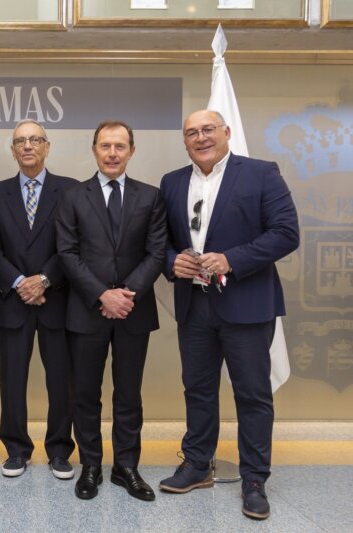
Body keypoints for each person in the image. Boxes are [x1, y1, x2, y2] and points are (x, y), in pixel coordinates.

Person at [158, 109, 299, 520]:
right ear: (185, 141)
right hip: (194, 305)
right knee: (198, 389)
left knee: (252, 395)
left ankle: (254, 479)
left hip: (247, 304)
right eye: (191, 132)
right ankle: (198, 464)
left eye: (207, 129)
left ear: (226, 132)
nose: (200, 137)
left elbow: (286, 232)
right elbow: (162, 240)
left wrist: (232, 259)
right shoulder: (172, 182)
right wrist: (173, 261)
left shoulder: (260, 173)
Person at [57, 120, 166, 501]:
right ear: (94, 150)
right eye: (105, 146)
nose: (112, 153)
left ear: (132, 151)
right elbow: (67, 253)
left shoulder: (151, 197)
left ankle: (126, 466)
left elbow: (156, 253)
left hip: (134, 312)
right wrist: (104, 295)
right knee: (85, 393)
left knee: (128, 393)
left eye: (120, 146)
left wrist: (126, 295)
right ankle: (90, 464)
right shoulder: (72, 196)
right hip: (87, 311)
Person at [0, 119, 77, 479]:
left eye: (35, 140)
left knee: (61, 380)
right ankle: (16, 449)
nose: (28, 146)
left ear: (47, 146)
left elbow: (72, 244)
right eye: (20, 141)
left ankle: (59, 450)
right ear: (12, 149)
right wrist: (19, 282)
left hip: (56, 300)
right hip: (12, 300)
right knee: (11, 379)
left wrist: (43, 280)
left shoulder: (70, 191)